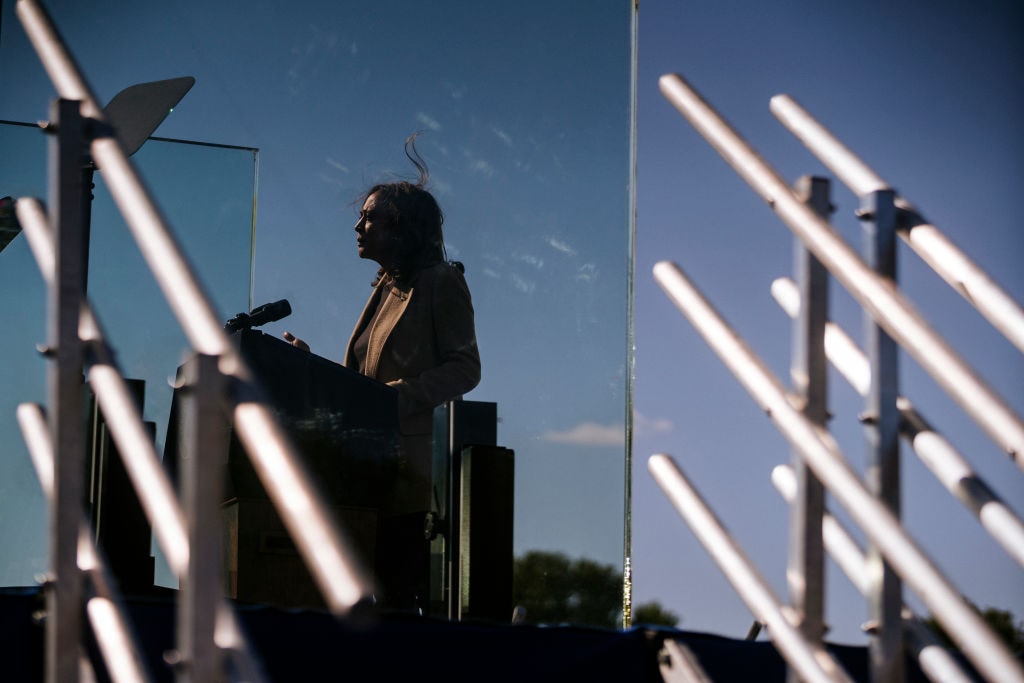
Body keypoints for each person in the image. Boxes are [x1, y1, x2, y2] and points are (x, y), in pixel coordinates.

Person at [283, 137, 481, 609]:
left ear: (401, 228)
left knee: (395, 603)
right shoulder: (386, 289)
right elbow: (362, 386)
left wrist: (397, 397)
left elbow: (466, 368)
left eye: (369, 217)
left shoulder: (440, 283)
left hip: (405, 480)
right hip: (362, 471)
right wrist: (308, 365)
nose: (357, 225)